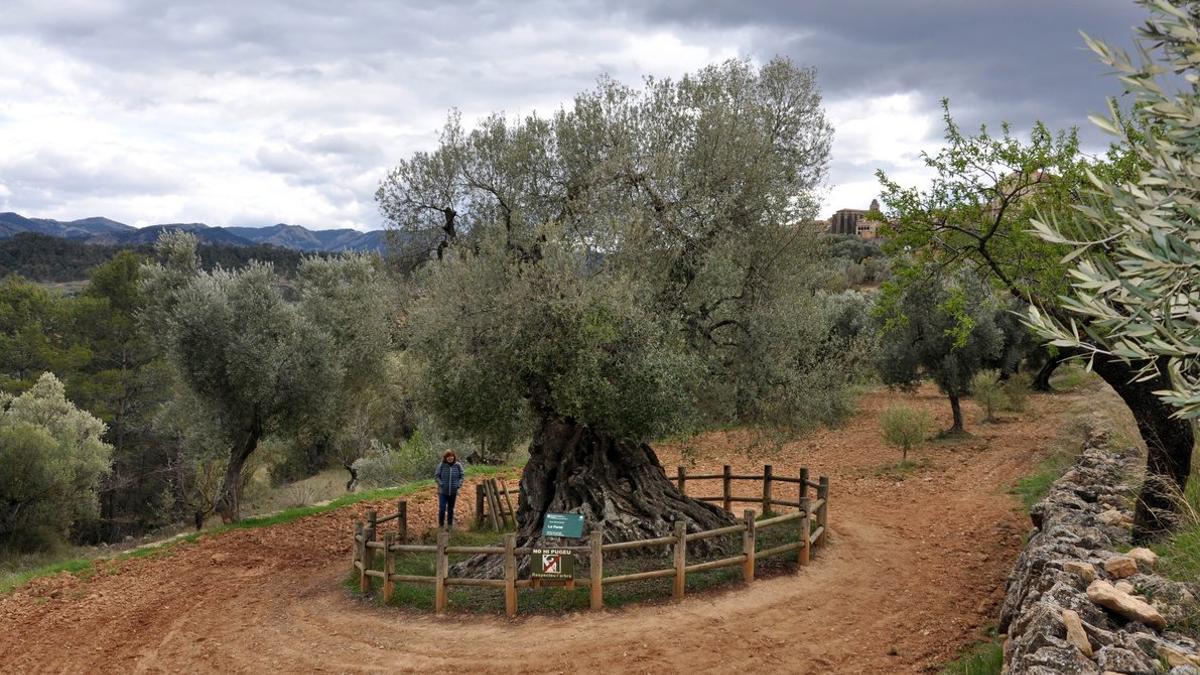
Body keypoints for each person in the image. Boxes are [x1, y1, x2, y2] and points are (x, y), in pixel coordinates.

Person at [434, 450, 464, 530]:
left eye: (451, 456)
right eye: (448, 456)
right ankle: (441, 525)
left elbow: (462, 476)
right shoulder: (441, 465)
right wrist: (441, 484)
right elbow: (436, 476)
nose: (450, 458)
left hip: (453, 492)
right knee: (442, 508)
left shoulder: (458, 465)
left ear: (454, 457)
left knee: (451, 509)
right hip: (443, 492)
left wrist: (458, 484)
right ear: (445, 458)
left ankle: (450, 526)